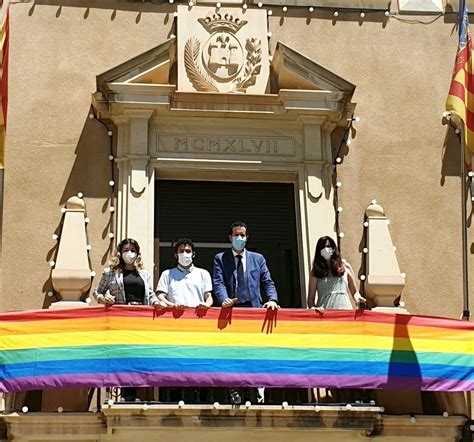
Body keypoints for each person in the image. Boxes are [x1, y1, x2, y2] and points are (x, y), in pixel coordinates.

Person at [93, 238, 159, 402]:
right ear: (120, 253)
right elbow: (97, 292)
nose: (130, 253)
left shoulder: (144, 274)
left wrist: (157, 303)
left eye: (133, 250)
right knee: (124, 354)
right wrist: (104, 299)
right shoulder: (110, 273)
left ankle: (136, 392)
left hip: (140, 320)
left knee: (138, 354)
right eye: (126, 250)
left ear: (137, 253)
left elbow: (150, 294)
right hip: (121, 320)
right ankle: (126, 394)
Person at [213, 221, 278, 309]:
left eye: (242, 235)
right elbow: (219, 282)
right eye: (236, 235)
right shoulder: (221, 258)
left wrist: (272, 300)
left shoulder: (258, 259)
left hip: (254, 306)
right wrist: (224, 299)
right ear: (230, 237)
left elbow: (267, 282)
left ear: (246, 238)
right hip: (231, 307)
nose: (239, 238)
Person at [307, 236, 366, 310]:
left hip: (345, 313)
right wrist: (313, 308)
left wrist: (358, 299)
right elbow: (310, 299)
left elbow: (355, 292)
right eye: (322, 247)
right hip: (325, 315)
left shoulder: (345, 267)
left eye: (328, 246)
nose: (326, 249)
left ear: (333, 248)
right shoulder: (316, 271)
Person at [155, 238, 213, 310]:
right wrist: (172, 305)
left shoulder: (204, 273)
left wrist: (206, 305)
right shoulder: (167, 274)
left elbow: (208, 296)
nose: (184, 254)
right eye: (181, 251)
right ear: (176, 255)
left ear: (193, 254)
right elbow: (160, 295)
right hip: (173, 317)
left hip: (197, 317)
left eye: (188, 251)